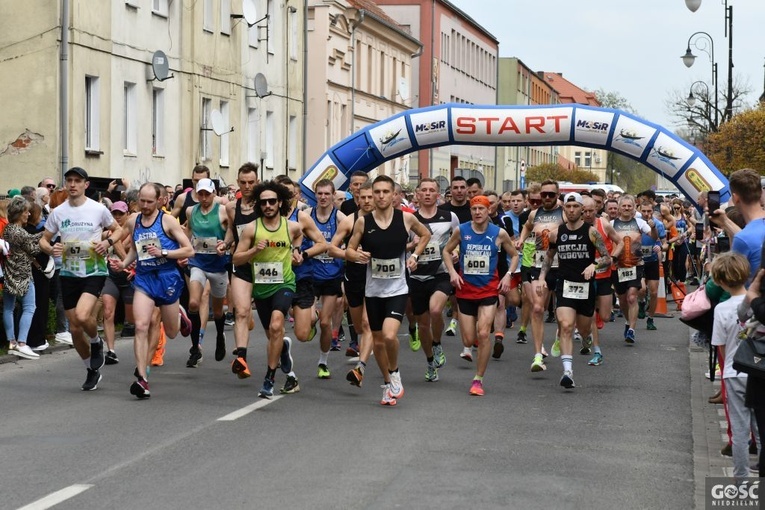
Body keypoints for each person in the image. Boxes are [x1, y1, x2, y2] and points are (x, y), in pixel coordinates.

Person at [345, 175, 431, 406]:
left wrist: (414, 256)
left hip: (398, 288)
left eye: (386, 191)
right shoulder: (363, 222)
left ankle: (395, 373)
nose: (381, 196)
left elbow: (425, 235)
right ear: (372, 195)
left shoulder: (406, 218)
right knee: (379, 341)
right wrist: (358, 255)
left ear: (394, 195)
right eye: (377, 192)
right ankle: (387, 384)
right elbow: (348, 250)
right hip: (373, 291)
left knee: (390, 335)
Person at [40, 167, 123, 391]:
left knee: (82, 314)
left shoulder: (97, 209)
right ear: (65, 184)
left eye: (77, 181)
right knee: (75, 328)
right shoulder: (58, 212)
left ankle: (96, 341)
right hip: (68, 273)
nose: (73, 184)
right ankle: (91, 369)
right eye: (69, 181)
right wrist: (51, 249)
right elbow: (44, 240)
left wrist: (107, 243)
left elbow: (118, 230)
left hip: (94, 270)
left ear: (86, 184)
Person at [111, 182, 194, 398]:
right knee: (141, 326)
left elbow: (189, 250)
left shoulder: (167, 221)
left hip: (167, 278)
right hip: (145, 279)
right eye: (142, 201)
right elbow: (136, 251)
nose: (145, 205)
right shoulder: (133, 221)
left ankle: (178, 313)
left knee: (173, 332)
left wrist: (164, 252)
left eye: (149, 201)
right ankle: (142, 378)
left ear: (160, 200)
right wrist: (124, 263)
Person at [233, 181, 303, 399]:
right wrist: (254, 249)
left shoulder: (290, 226)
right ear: (259, 205)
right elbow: (236, 257)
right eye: (263, 202)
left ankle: (269, 378)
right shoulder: (252, 229)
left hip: (284, 284)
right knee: (272, 334)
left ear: (280, 202)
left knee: (276, 325)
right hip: (261, 289)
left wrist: (297, 252)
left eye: (272, 201)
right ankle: (283, 350)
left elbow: (300, 236)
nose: (268, 205)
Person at [442, 195, 518, 395]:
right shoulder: (462, 230)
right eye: (474, 209)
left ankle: (478, 379)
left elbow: (515, 255)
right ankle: (473, 343)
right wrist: (452, 272)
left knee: (484, 333)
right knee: (468, 339)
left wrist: (508, 276)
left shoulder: (499, 233)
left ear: (488, 210)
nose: (477, 212)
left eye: (481, 209)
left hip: (488, 290)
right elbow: (446, 251)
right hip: (465, 291)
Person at [538, 193, 612, 388]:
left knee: (584, 328)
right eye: (568, 206)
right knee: (566, 325)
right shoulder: (556, 233)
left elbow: (607, 257)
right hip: (565, 286)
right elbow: (548, 257)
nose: (571, 210)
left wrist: (593, 265)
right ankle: (568, 372)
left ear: (581, 209)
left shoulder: (591, 232)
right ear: (564, 209)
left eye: (575, 206)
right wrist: (541, 278)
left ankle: (587, 338)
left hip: (586, 288)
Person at [710, 252, 758, 482]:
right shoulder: (757, 304)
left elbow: (720, 348)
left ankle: (742, 480)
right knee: (760, 427)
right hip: (758, 371)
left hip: (733, 371)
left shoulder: (721, 310)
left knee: (740, 431)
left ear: (719, 281)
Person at [409, 178, 459, 381]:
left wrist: (455, 252)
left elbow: (459, 239)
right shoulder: (408, 218)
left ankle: (437, 343)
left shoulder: (450, 217)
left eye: (432, 190)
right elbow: (399, 247)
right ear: (418, 194)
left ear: (438, 195)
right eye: (424, 190)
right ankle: (430, 361)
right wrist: (411, 247)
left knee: (436, 309)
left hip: (441, 272)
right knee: (422, 325)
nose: (428, 194)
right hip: (417, 275)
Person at [328, 181, 375, 387]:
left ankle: (360, 367)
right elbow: (332, 249)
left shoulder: (388, 220)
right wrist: (352, 255)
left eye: (370, 197)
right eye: (362, 197)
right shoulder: (349, 221)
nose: (366, 201)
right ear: (357, 198)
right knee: (358, 326)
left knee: (367, 323)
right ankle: (370, 348)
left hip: (378, 278)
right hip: (354, 277)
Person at [517, 179, 564, 372]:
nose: (546, 198)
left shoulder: (565, 212)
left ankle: (561, 335)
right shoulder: (535, 214)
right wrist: (521, 239)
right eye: (543, 194)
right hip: (540, 265)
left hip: (562, 266)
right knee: (537, 308)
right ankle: (537, 356)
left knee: (563, 313)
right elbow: (528, 226)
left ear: (557, 195)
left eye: (550, 195)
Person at [184, 178, 231, 367]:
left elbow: (232, 231)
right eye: (200, 194)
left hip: (218, 266)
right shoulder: (191, 211)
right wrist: (184, 248)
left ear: (214, 193)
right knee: (194, 303)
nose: (203, 198)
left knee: (218, 311)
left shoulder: (222, 211)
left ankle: (220, 336)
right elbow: (188, 231)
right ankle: (196, 348)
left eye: (207, 194)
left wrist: (225, 244)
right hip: (198, 263)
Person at [305, 179, 346, 379]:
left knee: (324, 323)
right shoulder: (306, 216)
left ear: (332, 195)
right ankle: (309, 322)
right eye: (319, 193)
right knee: (312, 318)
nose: (322, 197)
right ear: (315, 194)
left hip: (331, 274)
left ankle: (323, 361)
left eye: (326, 194)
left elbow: (352, 237)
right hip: (310, 273)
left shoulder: (339, 217)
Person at [225, 162, 260, 379]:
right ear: (238, 183)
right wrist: (224, 243)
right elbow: (231, 230)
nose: (247, 186)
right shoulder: (231, 207)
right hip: (241, 264)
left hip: (265, 266)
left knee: (268, 318)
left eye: (251, 182)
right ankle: (242, 359)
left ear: (257, 182)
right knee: (240, 311)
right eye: (243, 182)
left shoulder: (266, 205)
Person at [611, 195, 656, 344]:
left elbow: (653, 236)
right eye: (623, 206)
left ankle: (631, 330)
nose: (626, 208)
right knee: (623, 299)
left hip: (636, 265)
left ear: (633, 208)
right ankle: (627, 321)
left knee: (631, 296)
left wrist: (654, 227)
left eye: (629, 206)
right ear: (619, 208)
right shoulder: (612, 223)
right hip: (618, 267)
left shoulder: (640, 223)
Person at [3, 197, 42, 360]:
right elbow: (33, 249)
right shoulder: (18, 231)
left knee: (8, 308)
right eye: (26, 211)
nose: (28, 214)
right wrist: (46, 235)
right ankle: (21, 343)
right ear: (19, 213)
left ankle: (11, 342)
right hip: (23, 275)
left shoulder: (8, 229)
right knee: (29, 307)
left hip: (9, 272)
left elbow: (28, 240)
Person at [101, 201, 133, 365]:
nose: (118, 217)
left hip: (130, 277)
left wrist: (127, 262)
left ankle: (151, 347)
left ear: (127, 214)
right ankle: (111, 351)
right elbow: (115, 239)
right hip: (112, 275)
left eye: (121, 213)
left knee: (134, 320)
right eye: (115, 214)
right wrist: (125, 259)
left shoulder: (134, 230)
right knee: (108, 312)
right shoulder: (109, 234)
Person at [638, 200, 667, 331]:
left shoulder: (659, 225)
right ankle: (641, 302)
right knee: (642, 289)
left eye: (649, 211)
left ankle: (650, 319)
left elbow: (665, 243)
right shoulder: (636, 223)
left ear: (653, 211)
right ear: (639, 210)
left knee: (654, 292)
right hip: (639, 261)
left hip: (653, 260)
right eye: (643, 211)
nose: (646, 214)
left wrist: (660, 247)